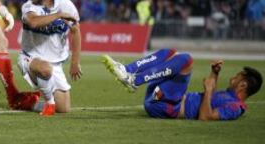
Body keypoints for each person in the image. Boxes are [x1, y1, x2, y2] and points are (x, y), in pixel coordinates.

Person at [102, 49, 262, 121]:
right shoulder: (228, 95)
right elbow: (211, 93)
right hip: (158, 97)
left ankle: (134, 80)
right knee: (171, 53)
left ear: (243, 85)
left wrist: (207, 91)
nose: (233, 78)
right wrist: (215, 73)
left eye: (237, 77)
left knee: (187, 60)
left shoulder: (235, 107)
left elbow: (205, 117)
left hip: (169, 106)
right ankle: (127, 70)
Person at [17, 0, 82, 116]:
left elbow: (76, 31)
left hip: (55, 63)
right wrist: (58, 15)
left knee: (64, 109)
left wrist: (74, 62)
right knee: (45, 69)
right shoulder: (29, 6)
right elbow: (33, 22)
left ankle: (28, 102)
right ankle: (49, 104)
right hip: (30, 59)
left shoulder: (66, 4)